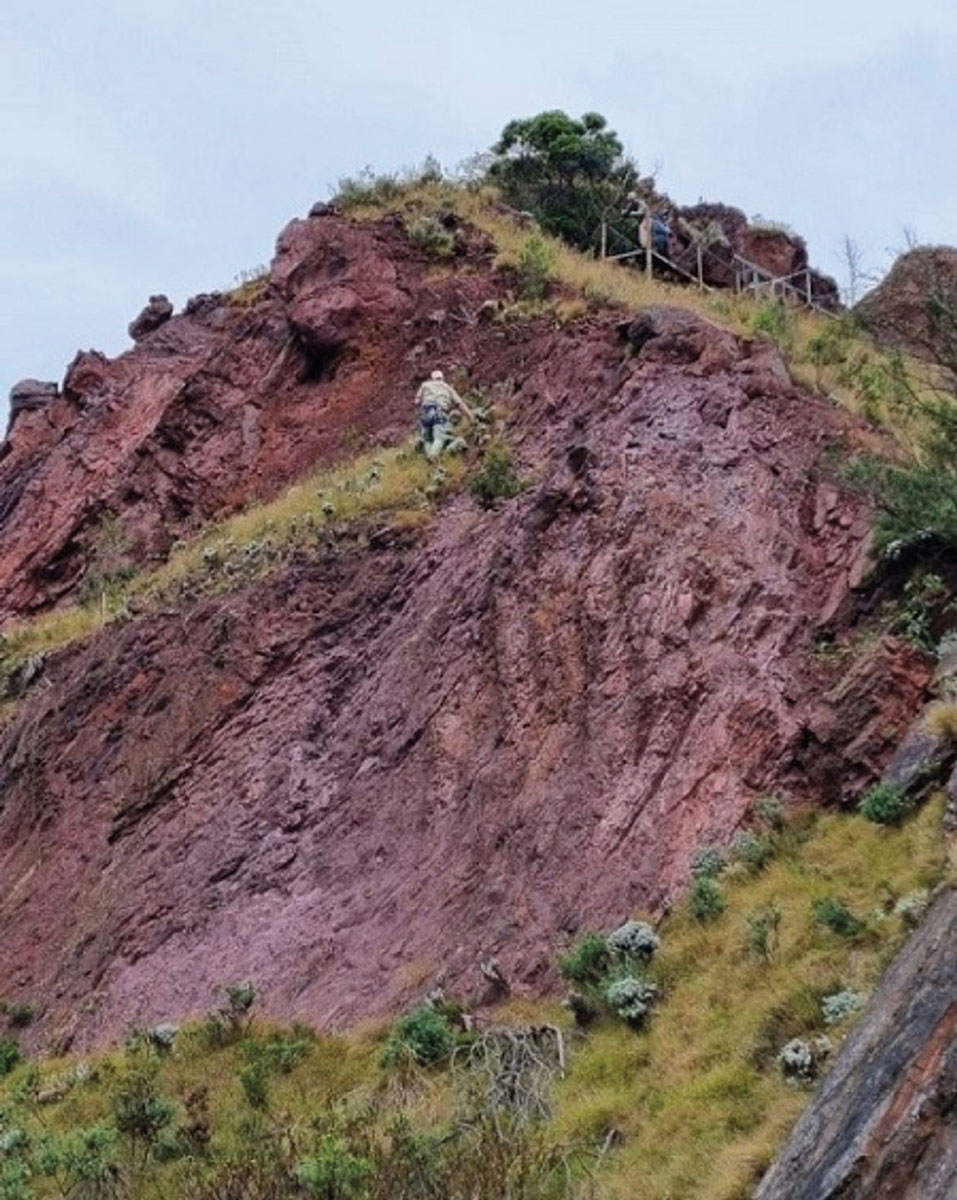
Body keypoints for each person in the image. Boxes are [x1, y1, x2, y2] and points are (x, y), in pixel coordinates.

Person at [416, 369, 474, 458]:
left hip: (426, 412)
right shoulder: (447, 387)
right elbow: (460, 403)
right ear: (442, 378)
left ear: (432, 378)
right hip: (439, 411)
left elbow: (416, 401)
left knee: (427, 439)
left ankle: (429, 458)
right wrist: (470, 416)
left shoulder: (425, 385)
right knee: (439, 438)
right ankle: (433, 455)